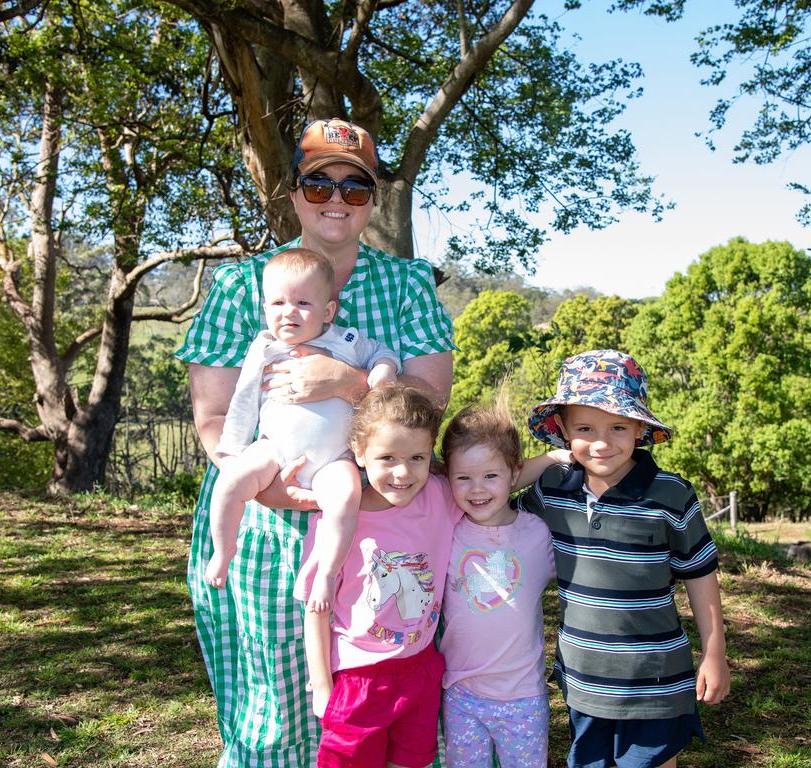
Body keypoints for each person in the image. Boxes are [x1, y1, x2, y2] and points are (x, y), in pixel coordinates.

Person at [175, 117, 455, 767]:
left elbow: (429, 404)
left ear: (374, 200)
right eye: (319, 183)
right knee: (270, 713)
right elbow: (216, 417)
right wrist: (273, 491)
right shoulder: (239, 286)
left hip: (385, 533)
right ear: (293, 193)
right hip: (262, 534)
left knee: (379, 709)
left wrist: (351, 382)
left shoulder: (409, 285)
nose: (336, 199)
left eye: (355, 188)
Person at [522, 349, 731, 768]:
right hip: (584, 678)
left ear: (640, 427)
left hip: (656, 678)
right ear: (562, 429)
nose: (601, 442)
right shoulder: (550, 488)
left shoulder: (671, 494)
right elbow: (493, 483)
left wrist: (714, 653)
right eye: (584, 428)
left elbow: (700, 575)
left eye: (617, 426)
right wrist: (549, 458)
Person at [207, 247, 400, 612]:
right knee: (230, 482)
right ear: (265, 309)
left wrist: (383, 370)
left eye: (302, 303)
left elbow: (383, 353)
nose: (288, 312)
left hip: (334, 458)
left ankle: (327, 573)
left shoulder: (346, 342)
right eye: (277, 303)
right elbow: (244, 398)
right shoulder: (265, 348)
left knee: (345, 498)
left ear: (328, 311)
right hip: (273, 448)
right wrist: (232, 449)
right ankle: (223, 549)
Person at [295, 385, 456, 768]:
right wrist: (322, 686)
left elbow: (501, 477)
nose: (403, 472)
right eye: (388, 458)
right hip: (359, 680)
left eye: (418, 457)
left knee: (412, 760)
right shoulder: (339, 522)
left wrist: (552, 457)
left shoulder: (441, 496)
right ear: (360, 453)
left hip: (421, 667)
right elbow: (316, 609)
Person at [437, 403, 566, 768]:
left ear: (514, 474)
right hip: (461, 695)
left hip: (523, 698)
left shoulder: (537, 533)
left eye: (490, 476)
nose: (476, 489)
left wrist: (557, 457)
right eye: (463, 478)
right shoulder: (447, 528)